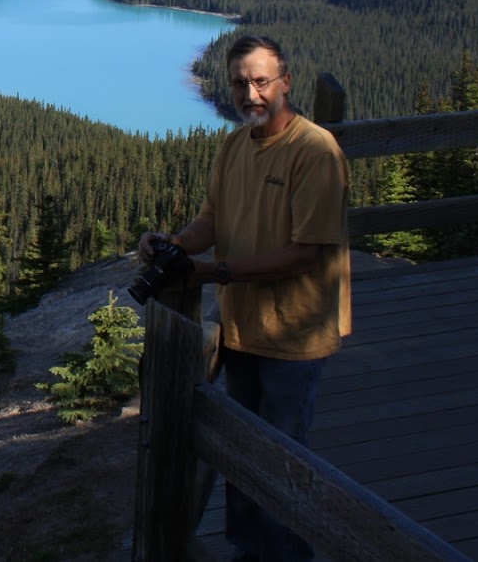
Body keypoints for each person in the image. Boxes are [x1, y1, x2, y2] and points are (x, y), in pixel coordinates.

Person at [139, 35, 350, 562]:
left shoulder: (315, 151)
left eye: (260, 81)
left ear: (286, 82)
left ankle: (286, 557)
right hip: (243, 330)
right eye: (239, 83)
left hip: (294, 334)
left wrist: (216, 273)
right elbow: (212, 220)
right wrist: (175, 244)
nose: (250, 93)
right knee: (239, 453)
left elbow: (304, 255)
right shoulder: (235, 146)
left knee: (281, 460)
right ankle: (248, 553)